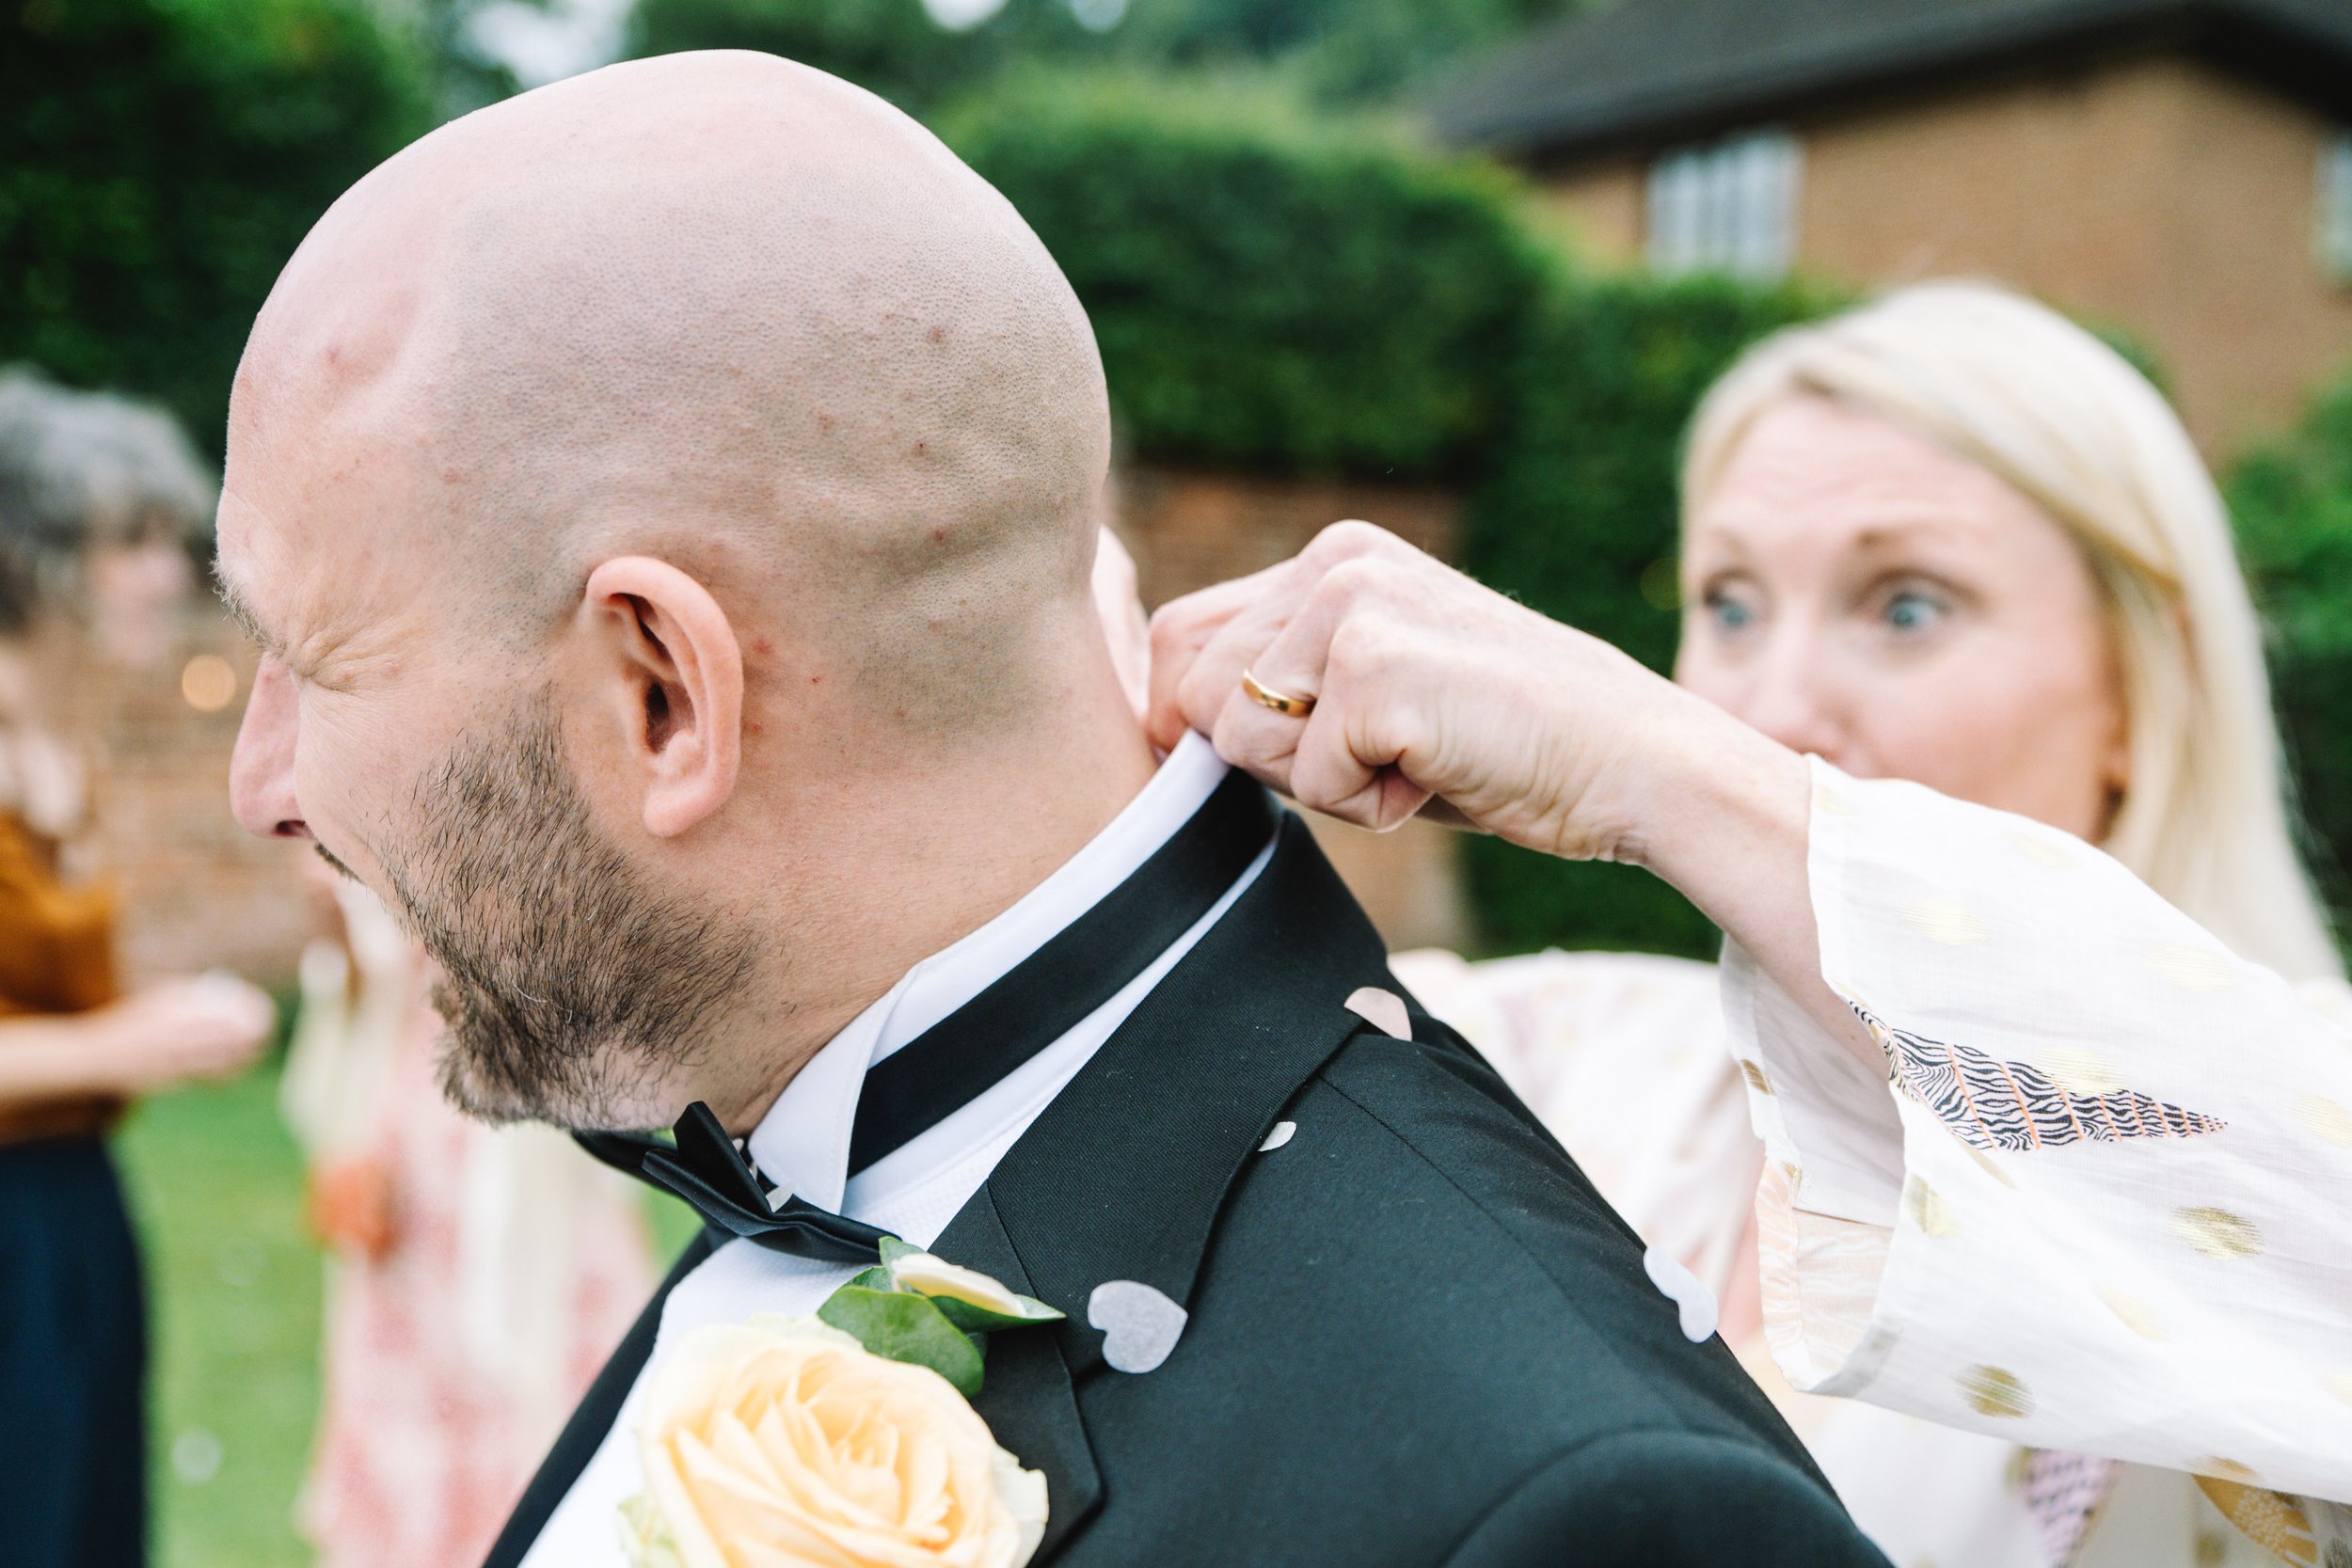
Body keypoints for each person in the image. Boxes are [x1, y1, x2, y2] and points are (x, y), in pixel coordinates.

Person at [217, 51, 1891, 1568]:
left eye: (317, 660)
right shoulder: (821, 1096)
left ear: (663, 693)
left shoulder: (1570, 1510)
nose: (263, 784)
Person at [1146, 284, 2352, 1568]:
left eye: (1906, 606)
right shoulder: (1565, 1050)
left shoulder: (2287, 1123)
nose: (1768, 708)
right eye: (1727, 603)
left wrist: (1652, 760)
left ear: (2142, 686)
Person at [0, 367, 276, 1568]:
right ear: (30, 553)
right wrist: (130, 1041)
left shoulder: (57, 737)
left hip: (71, 1205)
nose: (169, 574)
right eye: (131, 542)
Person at [279, 863, 655, 1568]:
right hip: (411, 1147)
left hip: (526, 1139)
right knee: (412, 1379)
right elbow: (366, 998)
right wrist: (341, 932)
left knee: (542, 1356)